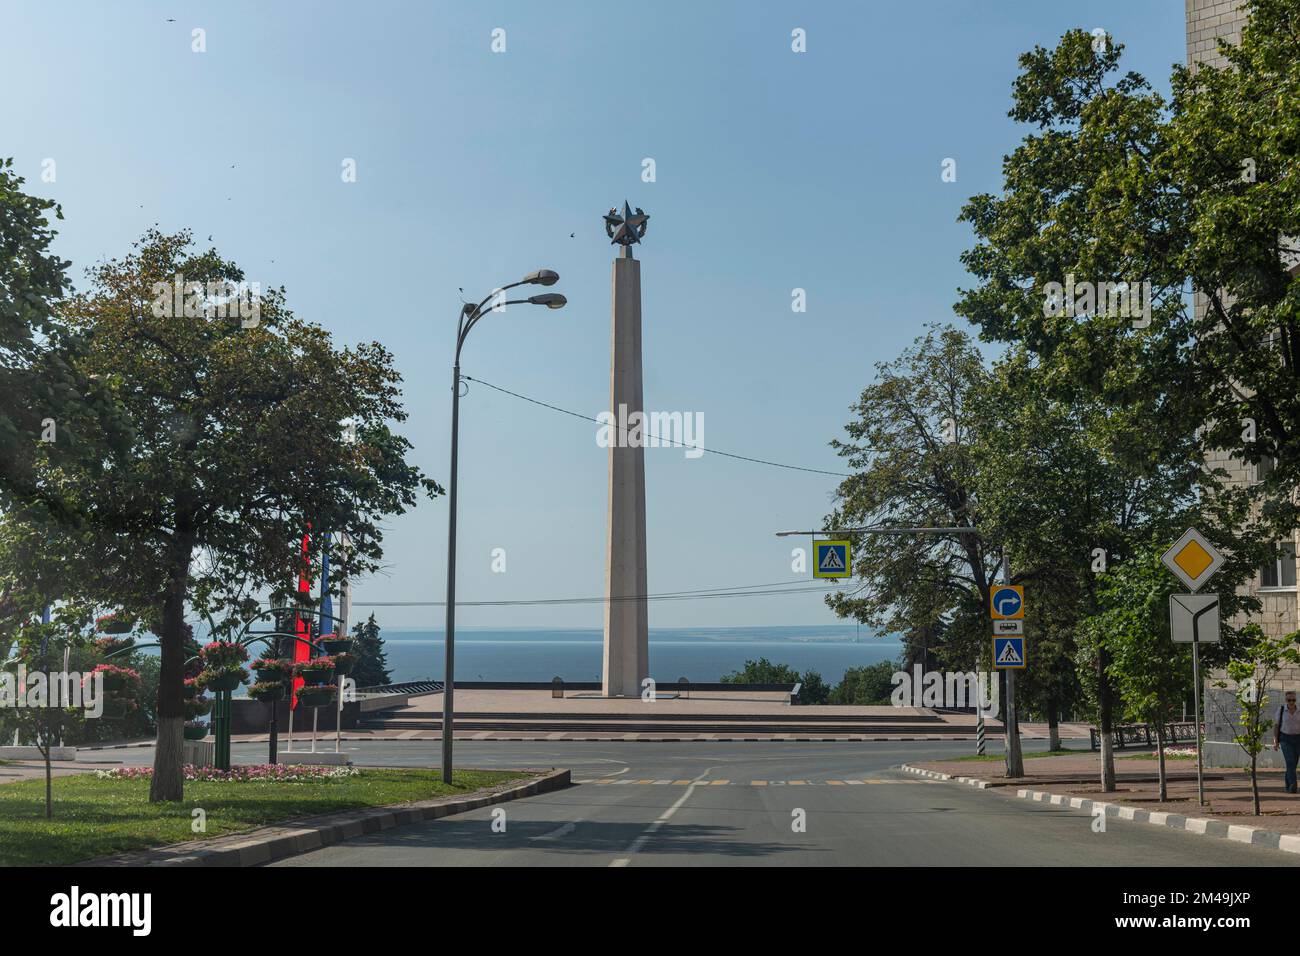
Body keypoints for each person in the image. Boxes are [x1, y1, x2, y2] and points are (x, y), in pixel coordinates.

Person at [1274, 690, 1300, 794]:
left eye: (1293, 700)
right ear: (1286, 700)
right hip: (1285, 739)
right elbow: (1276, 726)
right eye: (1289, 700)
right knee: (1290, 761)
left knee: (1292, 765)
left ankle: (1288, 785)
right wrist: (1275, 740)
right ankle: (1293, 785)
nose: (1291, 702)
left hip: (1298, 739)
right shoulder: (1280, 710)